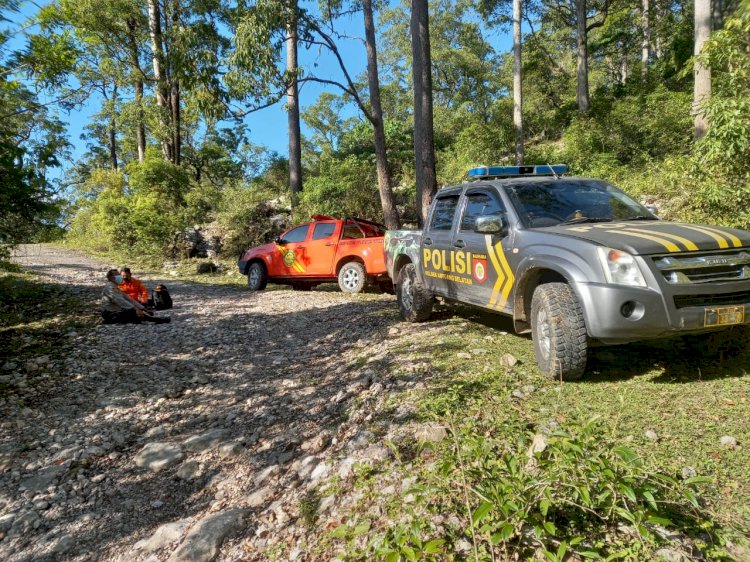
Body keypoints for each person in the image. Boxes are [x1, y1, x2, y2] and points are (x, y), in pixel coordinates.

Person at [101, 269, 170, 324]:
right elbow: (120, 301)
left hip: (129, 305)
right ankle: (156, 320)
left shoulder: (117, 286)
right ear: (111, 278)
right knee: (132, 313)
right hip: (111, 313)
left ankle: (151, 319)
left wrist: (143, 308)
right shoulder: (110, 287)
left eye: (119, 275)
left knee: (134, 313)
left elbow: (128, 298)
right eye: (118, 275)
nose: (121, 277)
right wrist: (135, 309)